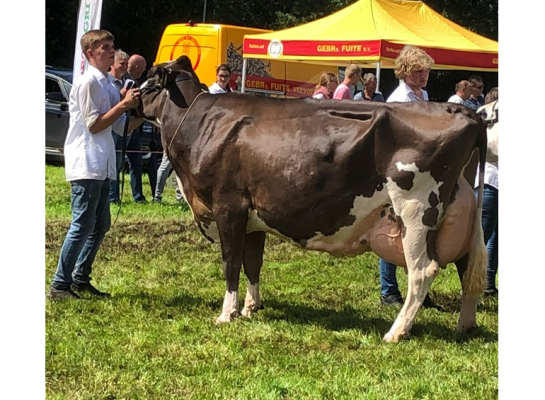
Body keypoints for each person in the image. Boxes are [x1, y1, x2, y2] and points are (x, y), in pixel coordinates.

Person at [48, 29, 142, 300]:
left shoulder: (108, 85)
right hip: (86, 161)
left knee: (99, 224)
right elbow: (94, 124)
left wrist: (145, 113)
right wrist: (123, 104)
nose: (112, 50)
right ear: (90, 54)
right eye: (105, 47)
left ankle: (79, 277)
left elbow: (121, 127)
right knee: (82, 225)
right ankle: (59, 285)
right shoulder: (88, 82)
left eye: (112, 45)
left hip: (101, 164)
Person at [381, 45, 441, 310]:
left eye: (426, 70)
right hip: (400, 171)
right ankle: (389, 290)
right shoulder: (398, 98)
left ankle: (418, 291)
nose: (423, 75)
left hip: (419, 171)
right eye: (418, 71)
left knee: (418, 232)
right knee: (396, 230)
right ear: (405, 71)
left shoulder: (423, 94)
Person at [477, 87, 499, 296]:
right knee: (482, 237)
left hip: (492, 181)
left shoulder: (482, 117)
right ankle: (472, 283)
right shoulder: (486, 120)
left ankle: (487, 283)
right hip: (489, 181)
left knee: (495, 237)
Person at [108, 49, 130, 204]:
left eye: (127, 64)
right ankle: (111, 196)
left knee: (119, 162)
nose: (125, 67)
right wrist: (121, 97)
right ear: (113, 64)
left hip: (123, 125)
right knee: (112, 162)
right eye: (122, 63)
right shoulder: (107, 82)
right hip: (110, 127)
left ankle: (114, 195)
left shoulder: (126, 82)